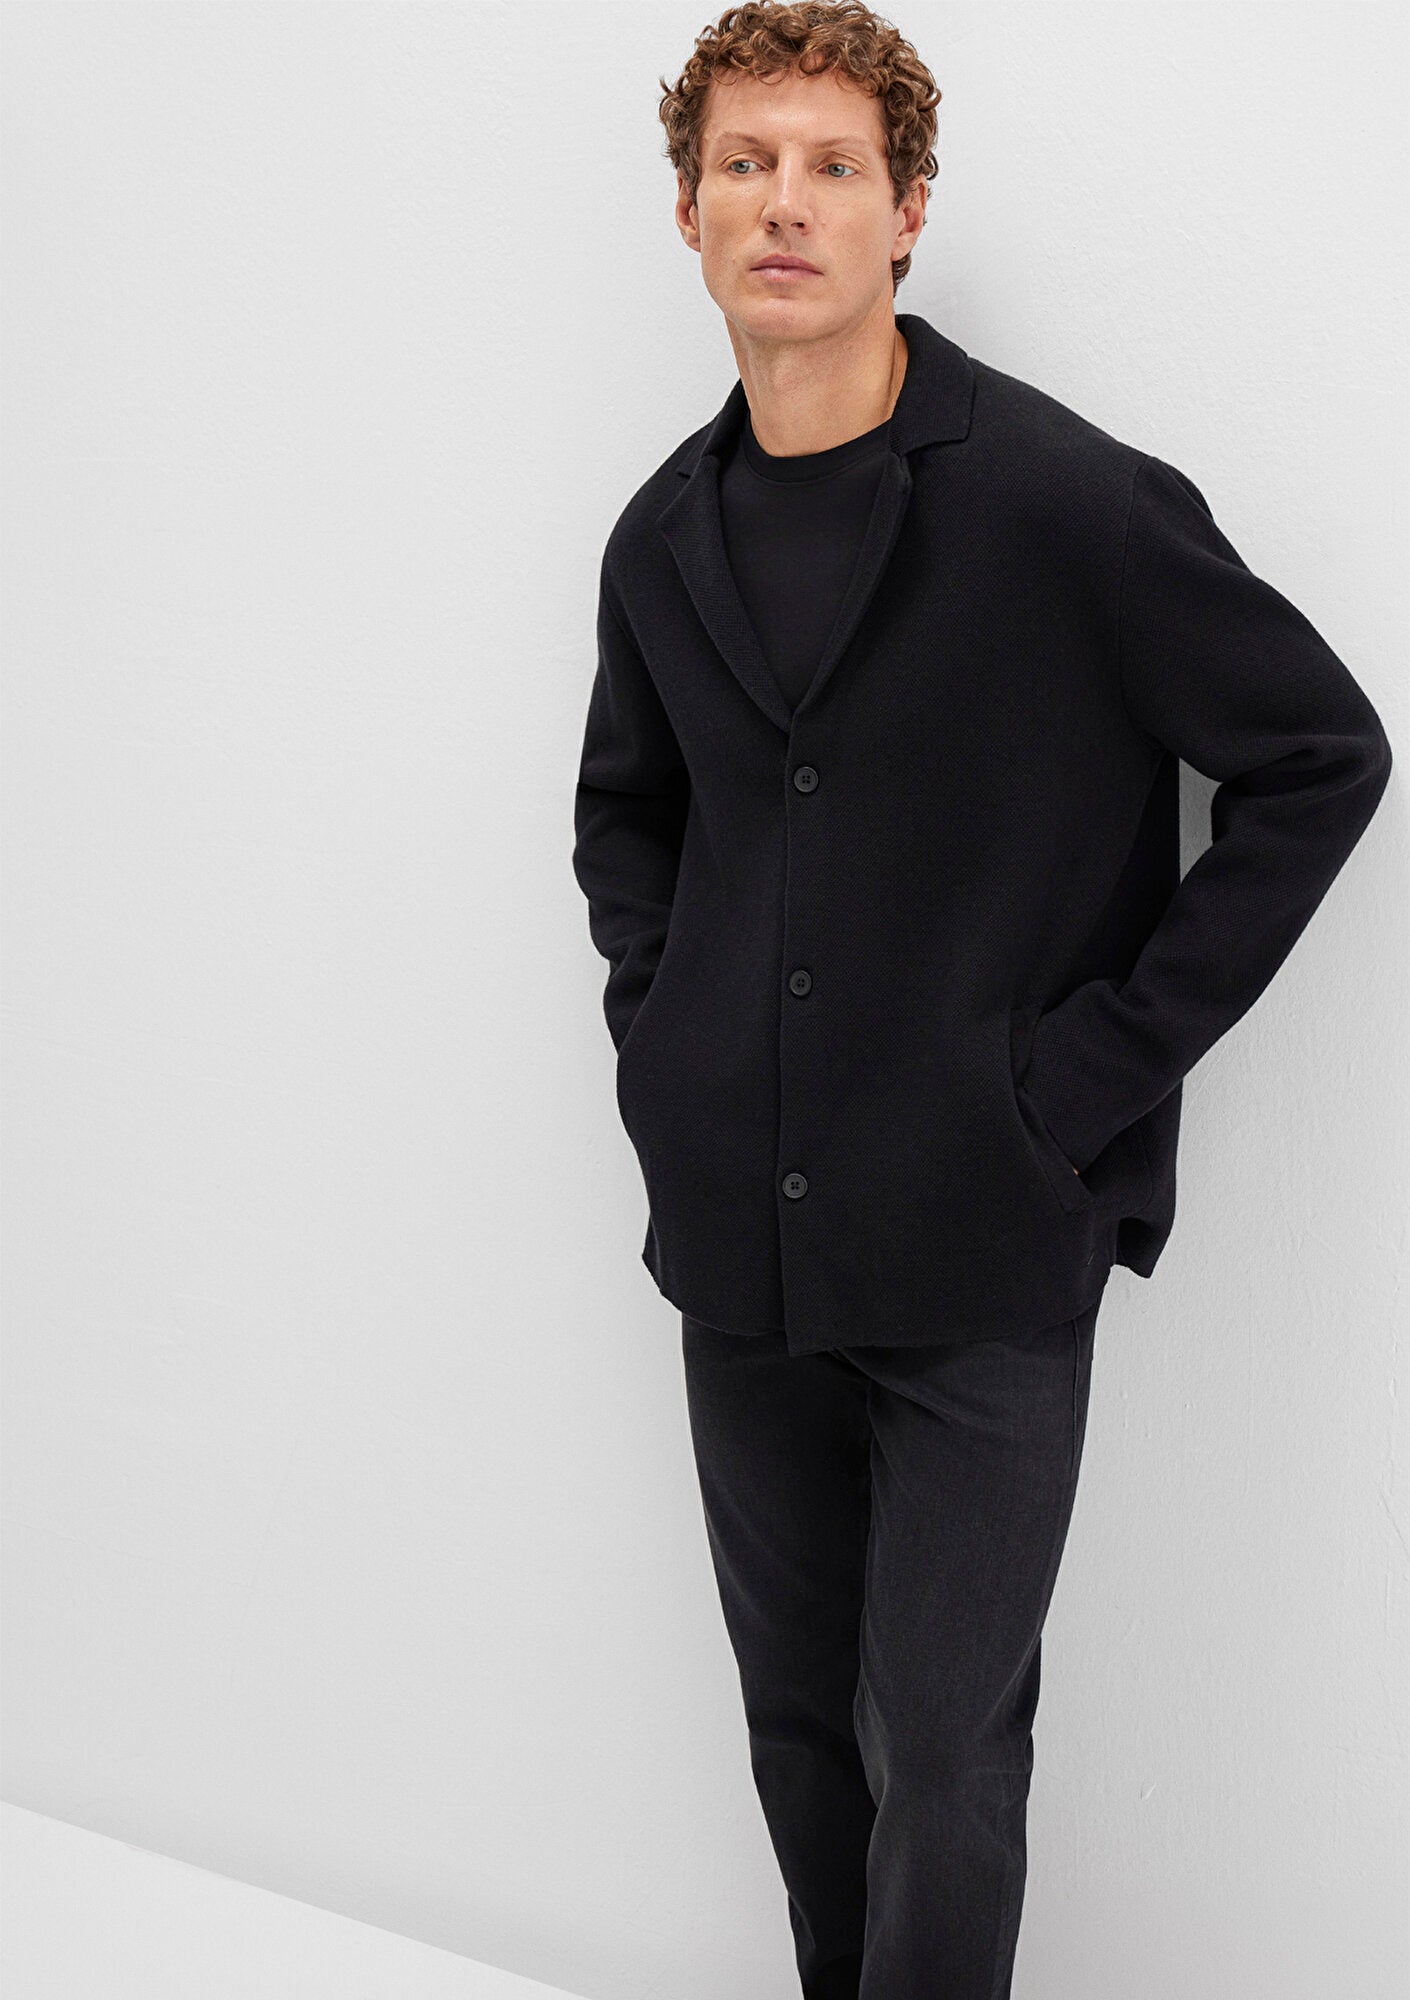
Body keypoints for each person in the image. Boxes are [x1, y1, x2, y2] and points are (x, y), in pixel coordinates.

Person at [571, 5, 1394, 1994]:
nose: (785, 202)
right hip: (741, 1252)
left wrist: (1081, 1079)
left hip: (984, 1249)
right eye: (746, 163)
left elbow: (1319, 757)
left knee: (942, 1759)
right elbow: (627, 822)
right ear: (687, 212)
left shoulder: (1059, 500)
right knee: (797, 1736)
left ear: (908, 211)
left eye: (832, 166)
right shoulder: (663, 536)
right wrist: (671, 1049)